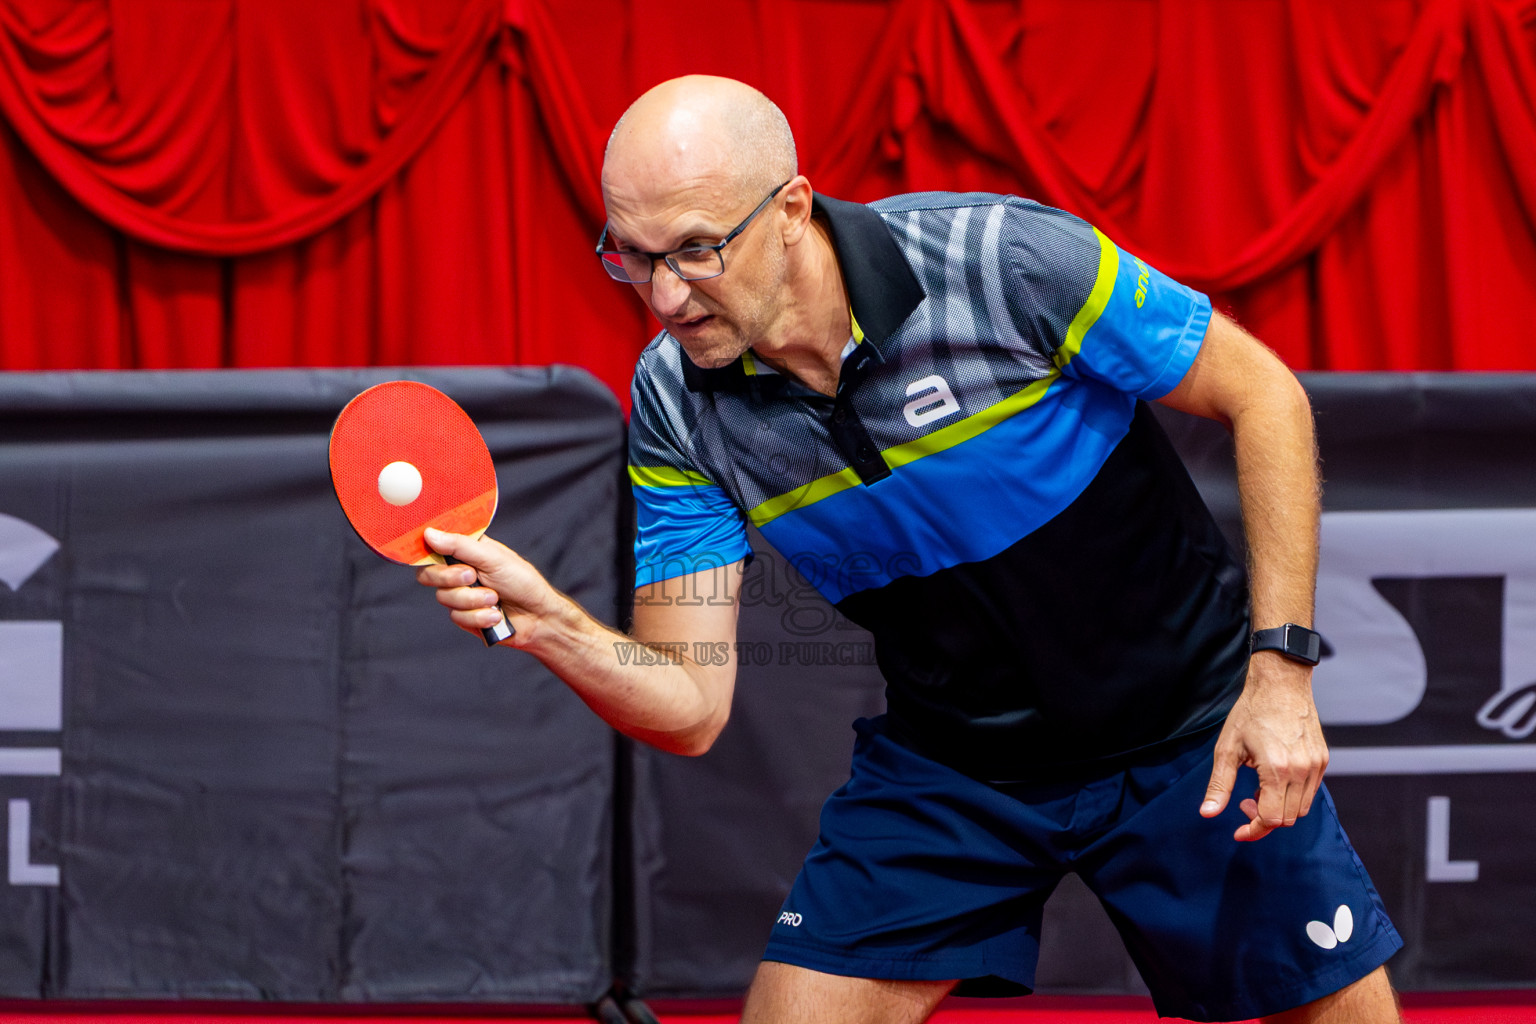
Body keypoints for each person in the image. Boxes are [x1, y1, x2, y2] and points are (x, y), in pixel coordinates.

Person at [417, 75, 1403, 1023]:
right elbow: (690, 706)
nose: (666, 296)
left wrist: (1281, 675)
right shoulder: (677, 404)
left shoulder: (1001, 260)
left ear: (792, 209)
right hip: (958, 766)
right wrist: (551, 625)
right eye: (633, 256)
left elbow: (1262, 393)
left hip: (1189, 729)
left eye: (696, 250)